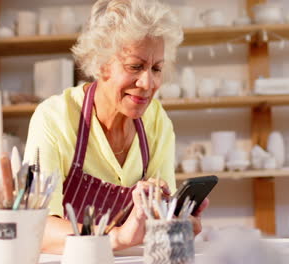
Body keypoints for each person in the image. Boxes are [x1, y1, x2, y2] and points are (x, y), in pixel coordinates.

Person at [24, 0, 209, 254]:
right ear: (101, 64)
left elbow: (157, 220)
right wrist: (118, 237)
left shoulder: (156, 122)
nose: (148, 82)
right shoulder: (55, 119)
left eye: (156, 68)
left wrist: (177, 221)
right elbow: (37, 230)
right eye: (135, 66)